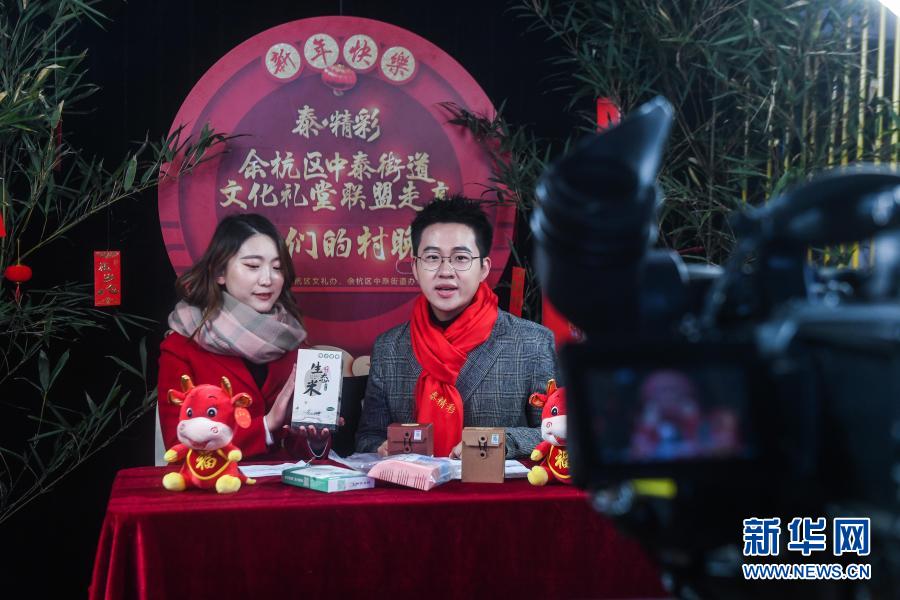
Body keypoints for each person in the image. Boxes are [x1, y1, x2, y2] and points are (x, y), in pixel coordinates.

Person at [355, 196, 558, 458]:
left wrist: (498, 442)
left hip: (493, 485)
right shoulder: (389, 347)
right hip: (412, 483)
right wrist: (379, 447)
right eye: (432, 257)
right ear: (415, 267)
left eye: (461, 258)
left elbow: (557, 432)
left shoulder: (533, 343)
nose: (446, 271)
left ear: (483, 268)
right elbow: (368, 437)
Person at [158, 213, 333, 460]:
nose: (267, 279)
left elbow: (301, 451)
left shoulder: (293, 344)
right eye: (252, 266)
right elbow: (179, 446)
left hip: (282, 484)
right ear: (219, 272)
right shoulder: (181, 347)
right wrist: (266, 427)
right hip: (215, 484)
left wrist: (316, 439)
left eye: (277, 268)